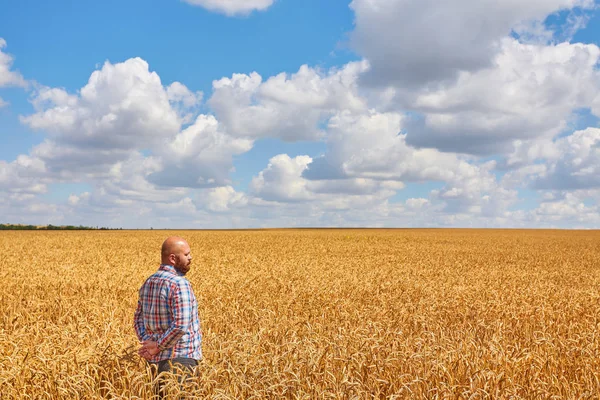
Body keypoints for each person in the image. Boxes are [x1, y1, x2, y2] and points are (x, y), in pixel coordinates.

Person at [134, 236, 202, 396]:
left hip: (153, 361)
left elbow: (138, 319)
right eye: (186, 254)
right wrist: (157, 346)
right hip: (180, 361)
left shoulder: (149, 282)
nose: (190, 258)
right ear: (173, 258)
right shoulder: (179, 284)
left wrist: (148, 344)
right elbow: (180, 325)